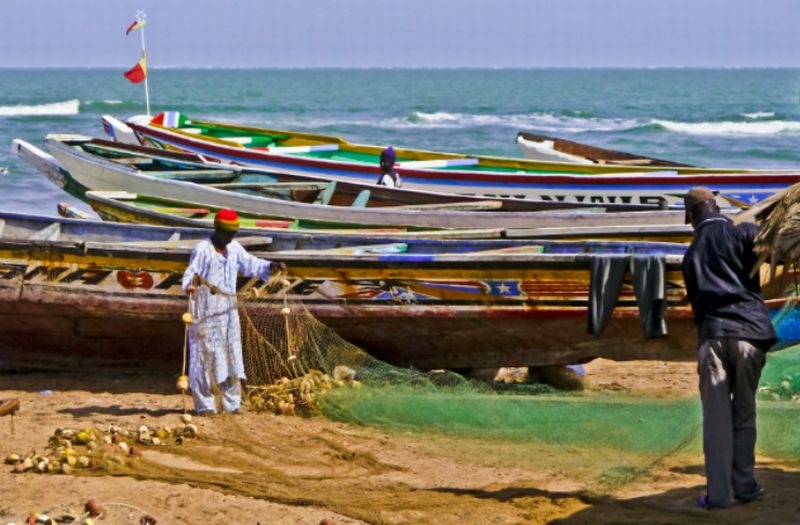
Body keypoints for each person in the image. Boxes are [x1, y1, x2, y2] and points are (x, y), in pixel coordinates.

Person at [682, 186, 776, 509]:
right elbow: (771, 244)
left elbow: (697, 306)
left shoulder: (690, 255)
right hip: (749, 334)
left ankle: (719, 496)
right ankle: (745, 485)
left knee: (716, 420)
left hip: (712, 337)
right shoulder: (743, 232)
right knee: (744, 413)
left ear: (692, 217)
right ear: (716, 207)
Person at [182, 209, 287, 416]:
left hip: (229, 313)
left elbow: (251, 264)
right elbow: (189, 275)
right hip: (205, 313)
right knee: (204, 358)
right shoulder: (203, 249)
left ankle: (232, 404)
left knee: (231, 357)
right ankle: (205, 405)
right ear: (217, 229)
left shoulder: (234, 248)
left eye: (233, 234)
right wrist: (191, 284)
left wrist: (271, 265)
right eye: (226, 234)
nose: (229, 238)